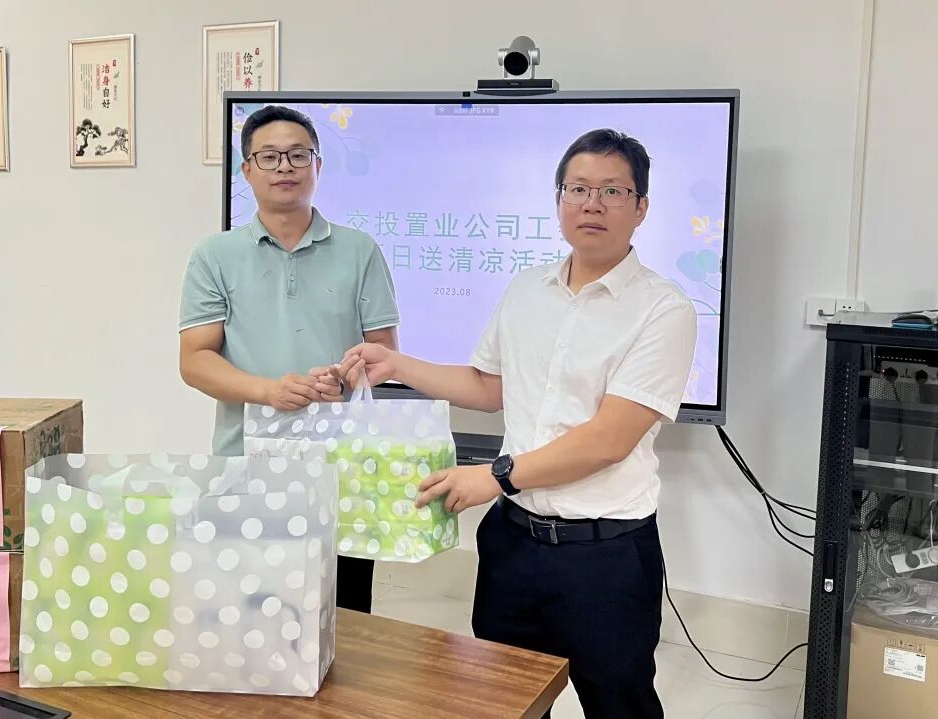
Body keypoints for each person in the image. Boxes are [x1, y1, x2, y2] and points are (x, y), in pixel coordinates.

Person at [337, 129, 697, 718]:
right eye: (578, 188)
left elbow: (609, 440)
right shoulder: (527, 288)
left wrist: (495, 476)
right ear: (559, 199)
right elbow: (488, 387)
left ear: (641, 208)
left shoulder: (664, 309)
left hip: (604, 555)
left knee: (619, 705)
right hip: (513, 543)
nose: (592, 204)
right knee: (506, 702)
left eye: (612, 191)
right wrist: (396, 365)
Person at [179, 105, 400, 614]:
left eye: (299, 155)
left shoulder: (360, 250)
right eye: (270, 156)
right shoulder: (214, 255)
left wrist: (346, 376)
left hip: (341, 469)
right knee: (246, 615)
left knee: (344, 618)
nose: (285, 167)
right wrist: (269, 392)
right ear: (247, 169)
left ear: (317, 165)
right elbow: (194, 360)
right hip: (243, 465)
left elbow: (384, 353)